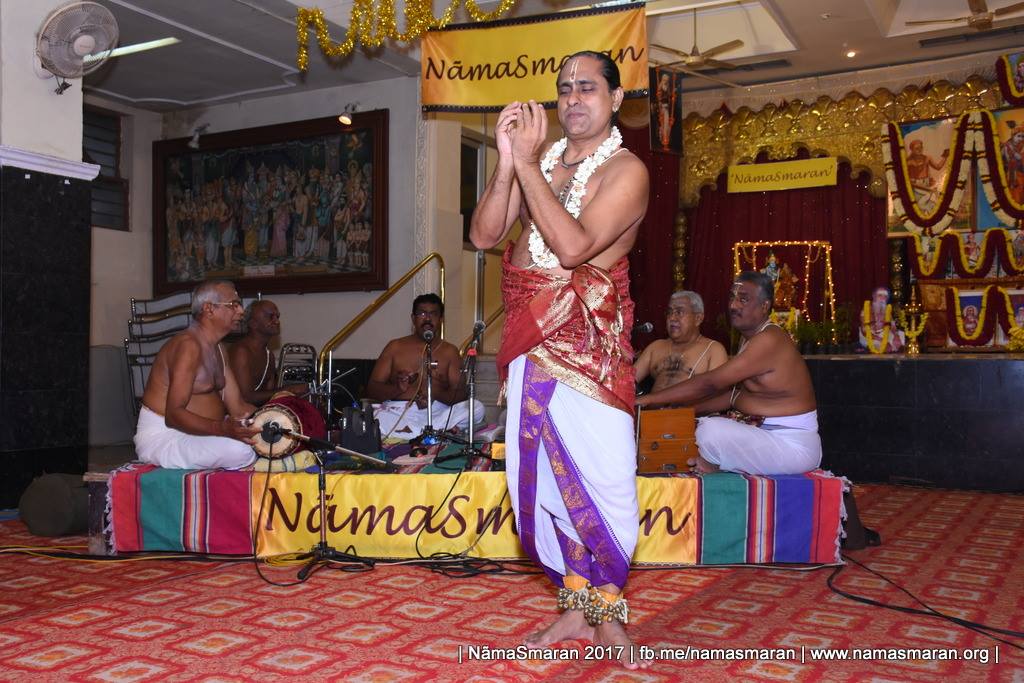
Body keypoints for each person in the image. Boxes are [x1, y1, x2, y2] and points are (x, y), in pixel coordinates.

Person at [469, 51, 650, 669]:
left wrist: (526, 166)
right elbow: (484, 236)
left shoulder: (626, 170)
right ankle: (575, 606)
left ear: (615, 98)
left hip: (590, 348)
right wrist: (507, 162)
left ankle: (609, 613)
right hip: (530, 340)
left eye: (588, 87)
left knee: (606, 482)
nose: (574, 98)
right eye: (565, 88)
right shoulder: (539, 162)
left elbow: (573, 248)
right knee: (548, 481)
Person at [636, 271, 821, 477]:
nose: (733, 305)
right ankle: (719, 462)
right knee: (695, 426)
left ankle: (716, 464)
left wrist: (651, 399)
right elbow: (733, 396)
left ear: (764, 306)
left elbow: (711, 383)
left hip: (791, 445)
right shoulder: (749, 338)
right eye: (732, 297)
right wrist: (680, 411)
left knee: (710, 432)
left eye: (743, 299)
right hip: (766, 437)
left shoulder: (769, 339)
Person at [134, 280, 259, 470]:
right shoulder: (188, 346)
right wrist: (222, 429)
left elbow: (239, 409)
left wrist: (277, 414)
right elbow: (173, 416)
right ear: (209, 309)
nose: (241, 311)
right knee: (241, 451)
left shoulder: (219, 348)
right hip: (165, 437)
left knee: (267, 441)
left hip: (202, 435)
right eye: (233, 304)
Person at [365, 294, 484, 437]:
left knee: (476, 408)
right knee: (377, 416)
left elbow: (461, 394)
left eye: (433, 314)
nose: (427, 319)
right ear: (413, 318)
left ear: (440, 319)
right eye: (422, 313)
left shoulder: (450, 351)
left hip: (437, 412)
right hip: (398, 413)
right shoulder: (395, 347)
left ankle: (414, 432)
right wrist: (397, 389)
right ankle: (432, 432)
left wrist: (435, 393)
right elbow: (372, 389)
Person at [635, 291, 727, 394]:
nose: (672, 318)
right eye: (669, 312)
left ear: (698, 318)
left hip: (691, 406)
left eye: (679, 312)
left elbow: (717, 395)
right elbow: (627, 382)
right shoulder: (655, 347)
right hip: (648, 405)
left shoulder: (713, 349)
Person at [227, 300, 308, 406]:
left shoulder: (269, 356)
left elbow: (269, 398)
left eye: (277, 316)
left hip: (258, 413)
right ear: (253, 323)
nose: (277, 321)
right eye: (270, 316)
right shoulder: (241, 351)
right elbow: (245, 397)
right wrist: (288, 390)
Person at [859, 286, 905, 353]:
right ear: (874, 296)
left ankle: (891, 349)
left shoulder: (887, 309)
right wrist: (882, 340)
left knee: (901, 337)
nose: (882, 298)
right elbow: (864, 331)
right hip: (870, 335)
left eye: (885, 296)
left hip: (883, 333)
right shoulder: (866, 310)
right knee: (882, 346)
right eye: (880, 295)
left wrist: (896, 336)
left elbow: (892, 326)